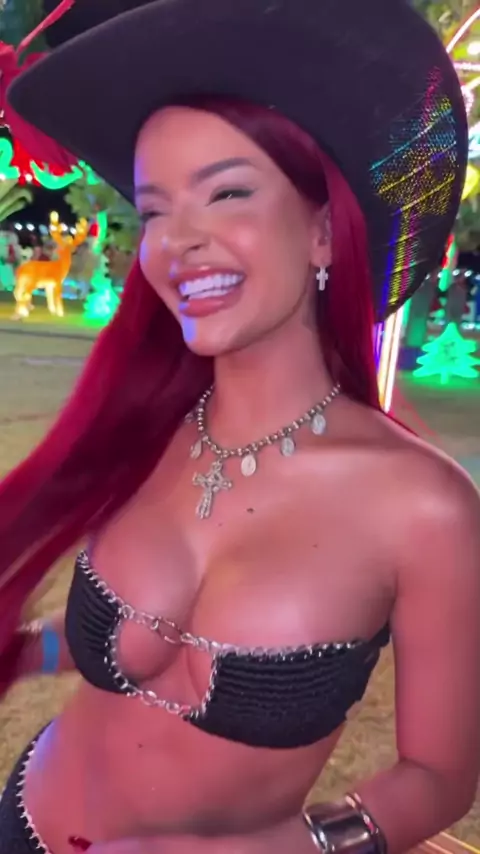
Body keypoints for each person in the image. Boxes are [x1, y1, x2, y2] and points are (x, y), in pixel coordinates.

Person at [1, 1, 479, 853]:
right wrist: (26, 653)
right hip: (21, 819)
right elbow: (138, 645)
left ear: (324, 231)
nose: (178, 241)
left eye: (226, 193)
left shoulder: (426, 508)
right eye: (155, 210)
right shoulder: (149, 427)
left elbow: (439, 777)